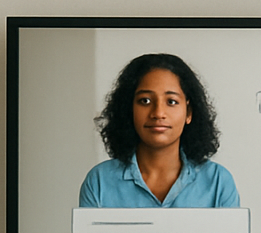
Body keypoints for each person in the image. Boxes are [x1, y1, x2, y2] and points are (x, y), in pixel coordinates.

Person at [78, 53, 239, 208]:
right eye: (145, 101)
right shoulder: (100, 182)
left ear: (189, 112)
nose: (158, 113)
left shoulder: (218, 182)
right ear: (130, 110)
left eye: (171, 101)